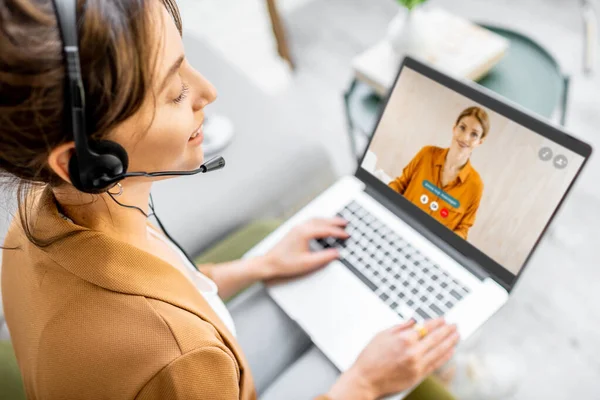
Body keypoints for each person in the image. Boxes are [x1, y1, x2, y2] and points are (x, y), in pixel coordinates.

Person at [0, 1, 459, 399]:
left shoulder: (34, 220)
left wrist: (260, 265)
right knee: (364, 351)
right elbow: (173, 351)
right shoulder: (177, 358)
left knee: (320, 308)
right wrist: (362, 386)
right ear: (86, 160)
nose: (206, 91)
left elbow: (168, 283)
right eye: (175, 91)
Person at [388, 107, 489, 240]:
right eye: (462, 128)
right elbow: (399, 184)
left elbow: (463, 230)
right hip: (397, 227)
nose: (465, 137)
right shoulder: (426, 154)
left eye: (474, 134)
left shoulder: (475, 186)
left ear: (479, 142)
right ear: (454, 128)